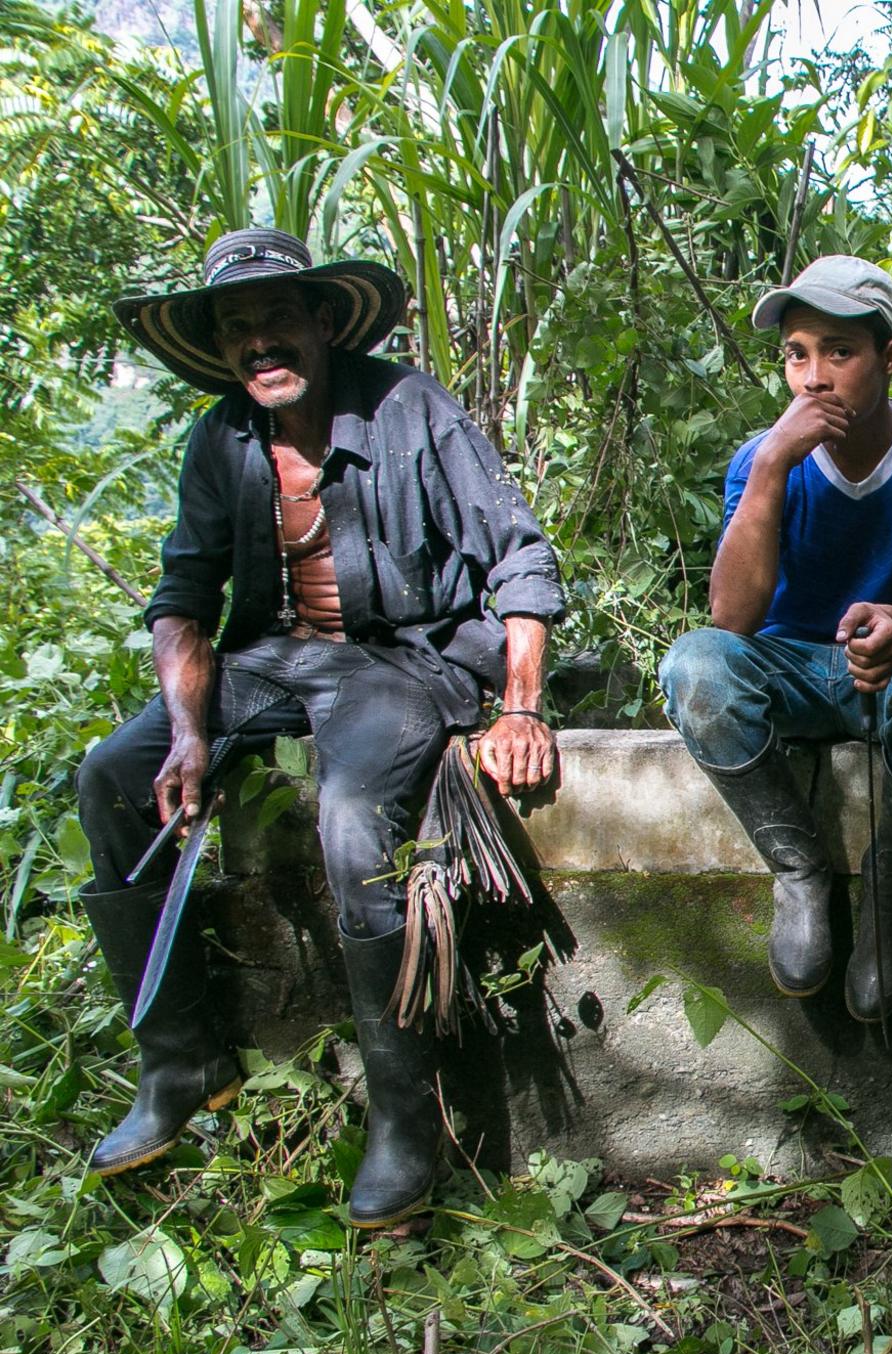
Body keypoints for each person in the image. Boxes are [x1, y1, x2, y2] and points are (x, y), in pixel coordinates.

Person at [82, 228, 566, 1228]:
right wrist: (186, 735)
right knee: (109, 776)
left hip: (399, 660)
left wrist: (520, 704)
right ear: (221, 346)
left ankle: (403, 1121)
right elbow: (183, 597)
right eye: (237, 327)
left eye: (278, 319)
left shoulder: (407, 409)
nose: (261, 342)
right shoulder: (220, 438)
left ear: (319, 323)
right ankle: (180, 1063)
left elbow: (520, 559)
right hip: (268, 661)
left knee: (353, 820)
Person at [660, 256, 892, 1023]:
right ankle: (799, 870)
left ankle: (891, 885)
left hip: (891, 673)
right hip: (790, 672)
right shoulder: (760, 458)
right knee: (695, 666)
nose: (813, 377)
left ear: (890, 359)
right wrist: (775, 461)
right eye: (796, 354)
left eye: (839, 352)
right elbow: (731, 622)